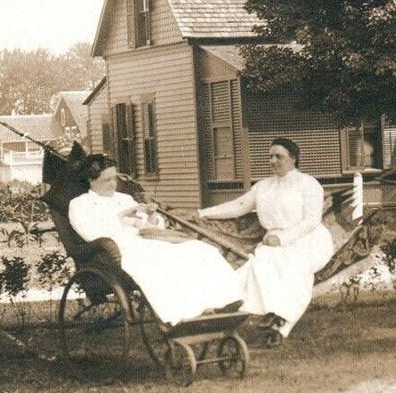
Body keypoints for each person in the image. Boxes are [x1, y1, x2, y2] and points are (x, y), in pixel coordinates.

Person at [67, 155, 242, 325]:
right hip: (117, 248)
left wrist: (150, 215)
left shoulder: (124, 198)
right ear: (92, 180)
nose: (114, 184)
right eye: (107, 180)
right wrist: (123, 215)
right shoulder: (80, 204)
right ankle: (187, 312)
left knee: (198, 250)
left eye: (115, 178)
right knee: (161, 260)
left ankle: (223, 301)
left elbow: (147, 226)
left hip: (144, 238)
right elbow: (91, 234)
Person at [196, 137, 334, 338]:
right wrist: (203, 213)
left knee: (293, 266)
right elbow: (239, 206)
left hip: (308, 239)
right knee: (261, 261)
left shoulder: (308, 184)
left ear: (293, 158)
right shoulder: (264, 186)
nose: (273, 161)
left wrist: (284, 238)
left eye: (279, 156)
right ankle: (273, 311)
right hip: (274, 240)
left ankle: (282, 320)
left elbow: (312, 219)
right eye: (270, 157)